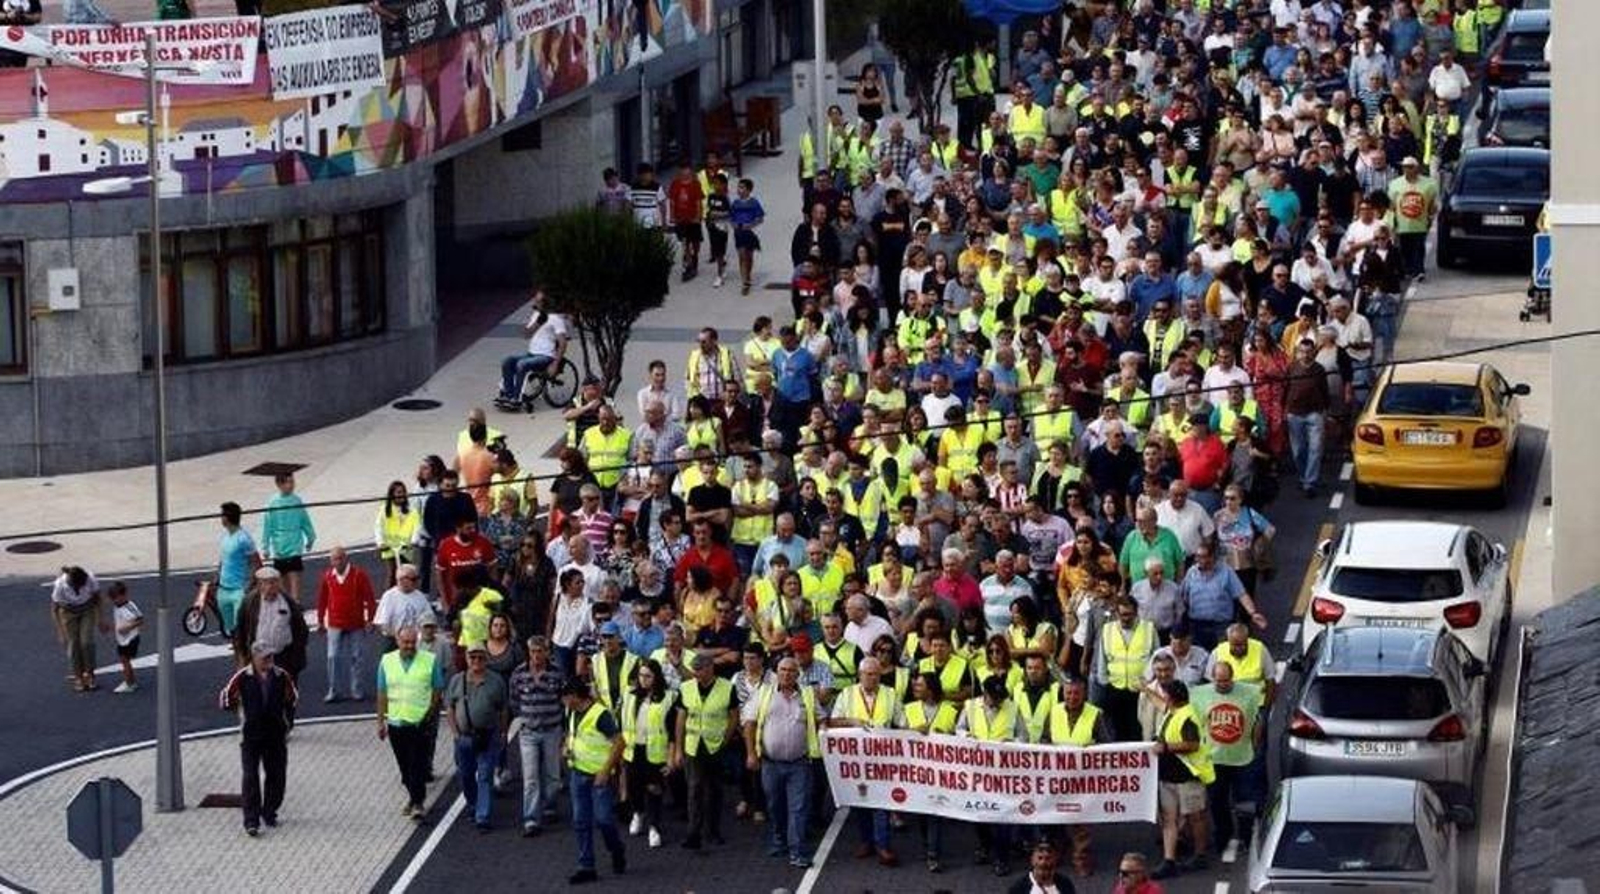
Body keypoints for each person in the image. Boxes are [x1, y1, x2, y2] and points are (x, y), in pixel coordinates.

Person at [743, 656, 823, 869]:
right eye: (783, 670)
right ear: (776, 672)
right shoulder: (764, 693)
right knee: (775, 806)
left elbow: (821, 718)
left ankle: (797, 851)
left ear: (798, 674)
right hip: (770, 763)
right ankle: (780, 839)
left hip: (799, 763)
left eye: (791, 670)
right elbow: (749, 724)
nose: (787, 674)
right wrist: (751, 753)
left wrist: (825, 728)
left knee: (798, 808)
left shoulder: (807, 695)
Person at [828, 656, 905, 866]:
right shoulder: (847, 694)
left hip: (883, 761)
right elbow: (833, 721)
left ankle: (883, 845)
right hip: (857, 762)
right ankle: (866, 841)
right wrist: (851, 721)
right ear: (859, 675)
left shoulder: (891, 695)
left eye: (876, 674)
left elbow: (902, 724)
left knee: (881, 802)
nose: (872, 678)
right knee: (860, 802)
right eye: (867, 674)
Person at [220, 642, 298, 836]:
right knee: (250, 777)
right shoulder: (242, 678)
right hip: (251, 735)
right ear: (254, 658)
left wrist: (285, 722)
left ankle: (269, 811)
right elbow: (225, 699)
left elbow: (293, 698)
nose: (269, 661)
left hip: (276, 734)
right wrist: (242, 713)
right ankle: (251, 820)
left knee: (277, 775)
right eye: (265, 658)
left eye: (271, 657)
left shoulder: (281, 676)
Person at [1191, 661, 1264, 851]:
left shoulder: (1250, 693)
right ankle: (1223, 835)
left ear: (1233, 678)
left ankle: (1246, 838)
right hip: (1214, 759)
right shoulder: (1199, 695)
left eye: (1226, 680)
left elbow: (1258, 721)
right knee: (1217, 801)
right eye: (1218, 680)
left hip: (1243, 758)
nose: (1222, 684)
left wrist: (1254, 745)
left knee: (1245, 800)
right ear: (1212, 678)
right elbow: (1196, 724)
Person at [563, 676, 628, 884]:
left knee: (604, 819)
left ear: (575, 696)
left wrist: (606, 770)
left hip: (599, 777)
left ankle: (616, 848)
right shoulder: (572, 711)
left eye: (566, 697)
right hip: (578, 773)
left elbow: (619, 742)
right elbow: (572, 733)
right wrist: (567, 747)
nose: (563, 701)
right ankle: (586, 865)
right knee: (580, 821)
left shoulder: (601, 715)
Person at [376, 626, 445, 821]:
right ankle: (413, 796)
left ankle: (418, 802)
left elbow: (437, 688)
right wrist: (380, 721)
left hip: (420, 722)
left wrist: (431, 713)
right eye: (405, 642)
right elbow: (382, 693)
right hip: (396, 722)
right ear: (397, 641)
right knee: (404, 766)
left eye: (412, 642)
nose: (409, 646)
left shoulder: (429, 660)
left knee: (418, 764)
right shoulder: (386, 662)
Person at [1152, 680, 1214, 879]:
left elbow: (1193, 744)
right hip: (1169, 775)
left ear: (1172, 697)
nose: (1164, 698)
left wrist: (1166, 747)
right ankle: (1169, 860)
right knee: (1169, 819)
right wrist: (1145, 689)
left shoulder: (1187, 716)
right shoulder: (1174, 711)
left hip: (1188, 776)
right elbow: (1159, 703)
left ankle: (1200, 855)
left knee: (1196, 817)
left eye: (1165, 694)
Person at [676, 653, 738, 849]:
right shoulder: (686, 688)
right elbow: (680, 719)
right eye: (694, 670)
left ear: (710, 668)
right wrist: (678, 747)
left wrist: (725, 740)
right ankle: (693, 832)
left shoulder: (727, 688)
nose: (696, 674)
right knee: (694, 789)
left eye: (700, 670)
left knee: (714, 790)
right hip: (693, 745)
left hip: (715, 745)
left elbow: (733, 717)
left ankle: (713, 830)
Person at [447, 641, 510, 832]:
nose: (476, 661)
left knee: (485, 775)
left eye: (480, 657)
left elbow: (503, 708)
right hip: (464, 737)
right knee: (465, 775)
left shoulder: (496, 681)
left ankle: (483, 815)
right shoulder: (457, 681)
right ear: (467, 659)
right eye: (472, 657)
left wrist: (503, 731)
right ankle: (473, 804)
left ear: (486, 659)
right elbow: (450, 706)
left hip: (488, 735)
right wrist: (456, 733)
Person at [510, 634, 567, 836]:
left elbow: (564, 700)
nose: (536, 655)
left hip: (552, 730)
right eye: (533, 651)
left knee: (552, 776)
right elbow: (515, 700)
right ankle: (531, 819)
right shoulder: (519, 674)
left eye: (540, 651)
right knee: (531, 778)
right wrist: (525, 717)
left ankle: (550, 804)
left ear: (547, 652)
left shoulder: (557, 674)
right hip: (528, 732)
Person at [620, 658, 677, 849]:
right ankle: (638, 813)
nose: (644, 680)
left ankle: (654, 827)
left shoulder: (668, 698)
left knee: (655, 790)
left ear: (656, 677)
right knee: (634, 788)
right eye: (641, 675)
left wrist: (670, 758)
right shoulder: (629, 695)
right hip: (633, 750)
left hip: (655, 751)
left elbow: (672, 733)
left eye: (648, 676)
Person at [233, 567, 310, 696]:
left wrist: (296, 658)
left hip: (283, 658)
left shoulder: (288, 602)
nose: (272, 586)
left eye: (274, 582)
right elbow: (240, 631)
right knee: (259, 698)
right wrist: (241, 659)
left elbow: (301, 630)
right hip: (258, 658)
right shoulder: (249, 602)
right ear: (260, 584)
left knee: (285, 699)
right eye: (267, 582)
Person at [316, 545, 376, 703]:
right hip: (335, 623)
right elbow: (322, 600)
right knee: (332, 656)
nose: (337, 562)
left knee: (357, 657)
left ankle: (357, 690)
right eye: (334, 559)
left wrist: (370, 619)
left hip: (356, 623)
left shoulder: (358, 575)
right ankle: (333, 690)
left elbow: (369, 598)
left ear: (346, 558)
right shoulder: (328, 576)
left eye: (340, 558)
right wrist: (320, 621)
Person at [1097, 598, 1157, 742]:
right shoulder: (1108, 629)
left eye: (1129, 614)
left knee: (1138, 730)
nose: (1126, 618)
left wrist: (1149, 684)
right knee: (1117, 732)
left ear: (1136, 613)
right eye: (1122, 614)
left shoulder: (1149, 629)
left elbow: (1156, 657)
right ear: (1116, 613)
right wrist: (1104, 682)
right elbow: (1102, 659)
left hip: (1140, 690)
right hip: (1115, 688)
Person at [496, 289, 570, 407]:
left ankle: (516, 398)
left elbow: (563, 343)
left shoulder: (556, 319)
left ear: (545, 302)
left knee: (522, 364)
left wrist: (555, 364)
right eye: (535, 300)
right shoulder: (536, 315)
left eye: (538, 301)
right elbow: (526, 335)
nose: (535, 302)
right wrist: (537, 324)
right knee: (507, 361)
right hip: (531, 354)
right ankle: (508, 394)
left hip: (546, 356)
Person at [260, 471, 316, 603]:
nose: (292, 485)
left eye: (292, 482)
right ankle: (287, 606)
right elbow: (267, 527)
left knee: (294, 580)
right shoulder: (272, 503)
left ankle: (296, 604)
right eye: (288, 482)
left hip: (294, 546)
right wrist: (265, 547)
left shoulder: (297, 501)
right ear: (279, 484)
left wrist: (310, 537)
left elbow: (305, 520)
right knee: (282, 586)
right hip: (279, 548)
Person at [50, 565, 107, 693]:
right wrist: (60, 631)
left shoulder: (90, 579)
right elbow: (54, 609)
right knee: (73, 644)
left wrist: (101, 619)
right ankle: (79, 677)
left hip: (87, 609)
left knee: (86, 643)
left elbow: (98, 599)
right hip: (68, 612)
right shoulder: (60, 585)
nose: (79, 589)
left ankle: (91, 675)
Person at [216, 501, 260, 636]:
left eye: (222, 515)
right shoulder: (225, 537)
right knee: (229, 629)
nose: (221, 518)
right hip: (223, 589)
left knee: (240, 629)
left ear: (228, 517)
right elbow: (223, 560)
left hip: (238, 590)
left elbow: (255, 562)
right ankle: (238, 650)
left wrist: (250, 584)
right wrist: (217, 576)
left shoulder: (244, 539)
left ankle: (242, 655)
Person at [108, 582, 143, 694]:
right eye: (112, 598)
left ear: (124, 595)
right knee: (125, 661)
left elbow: (140, 620)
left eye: (116, 598)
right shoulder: (117, 606)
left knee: (125, 661)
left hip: (130, 639)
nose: (114, 601)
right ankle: (131, 682)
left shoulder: (129, 606)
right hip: (123, 639)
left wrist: (127, 627)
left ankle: (129, 683)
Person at [1006, 840, 1077, 894]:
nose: (1043, 863)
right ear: (1032, 860)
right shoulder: (1019, 887)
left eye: (1048, 858)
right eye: (1040, 858)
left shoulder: (1065, 884)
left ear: (1056, 860)